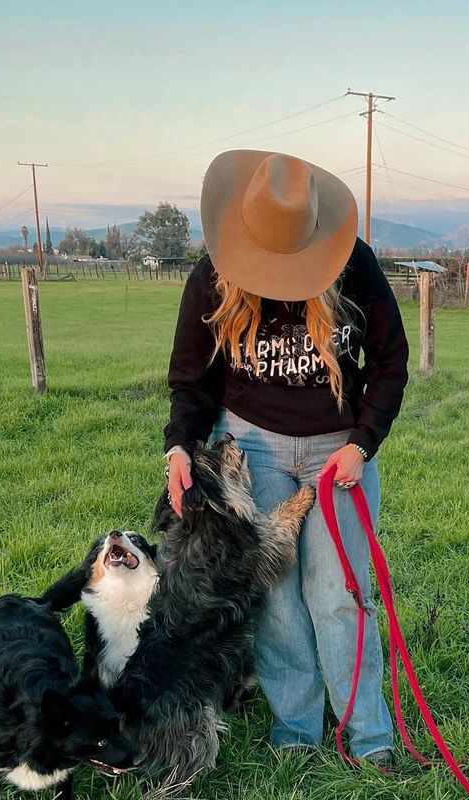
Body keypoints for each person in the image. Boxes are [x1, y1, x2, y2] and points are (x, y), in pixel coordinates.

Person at [162, 149, 409, 767]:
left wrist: (362, 442)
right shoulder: (213, 274)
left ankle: (368, 735)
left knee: (339, 593)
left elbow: (389, 363)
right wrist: (181, 446)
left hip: (337, 453)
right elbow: (191, 379)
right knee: (274, 597)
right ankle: (296, 728)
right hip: (250, 448)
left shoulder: (354, 265)